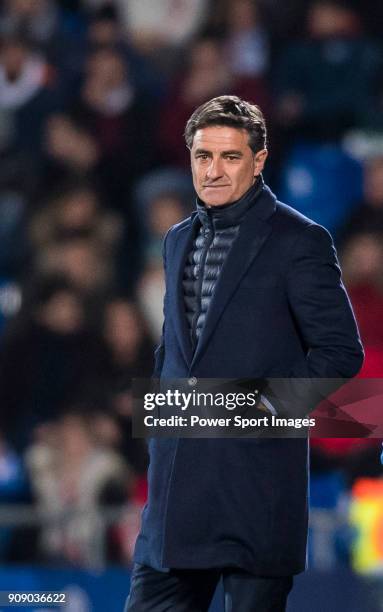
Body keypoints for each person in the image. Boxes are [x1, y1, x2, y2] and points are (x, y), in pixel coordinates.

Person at [124, 96, 364, 611]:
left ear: (258, 162)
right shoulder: (175, 240)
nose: (212, 171)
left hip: (255, 493)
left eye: (229, 157)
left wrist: (260, 413)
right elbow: (175, 350)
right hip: (175, 502)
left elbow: (341, 352)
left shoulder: (300, 240)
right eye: (202, 156)